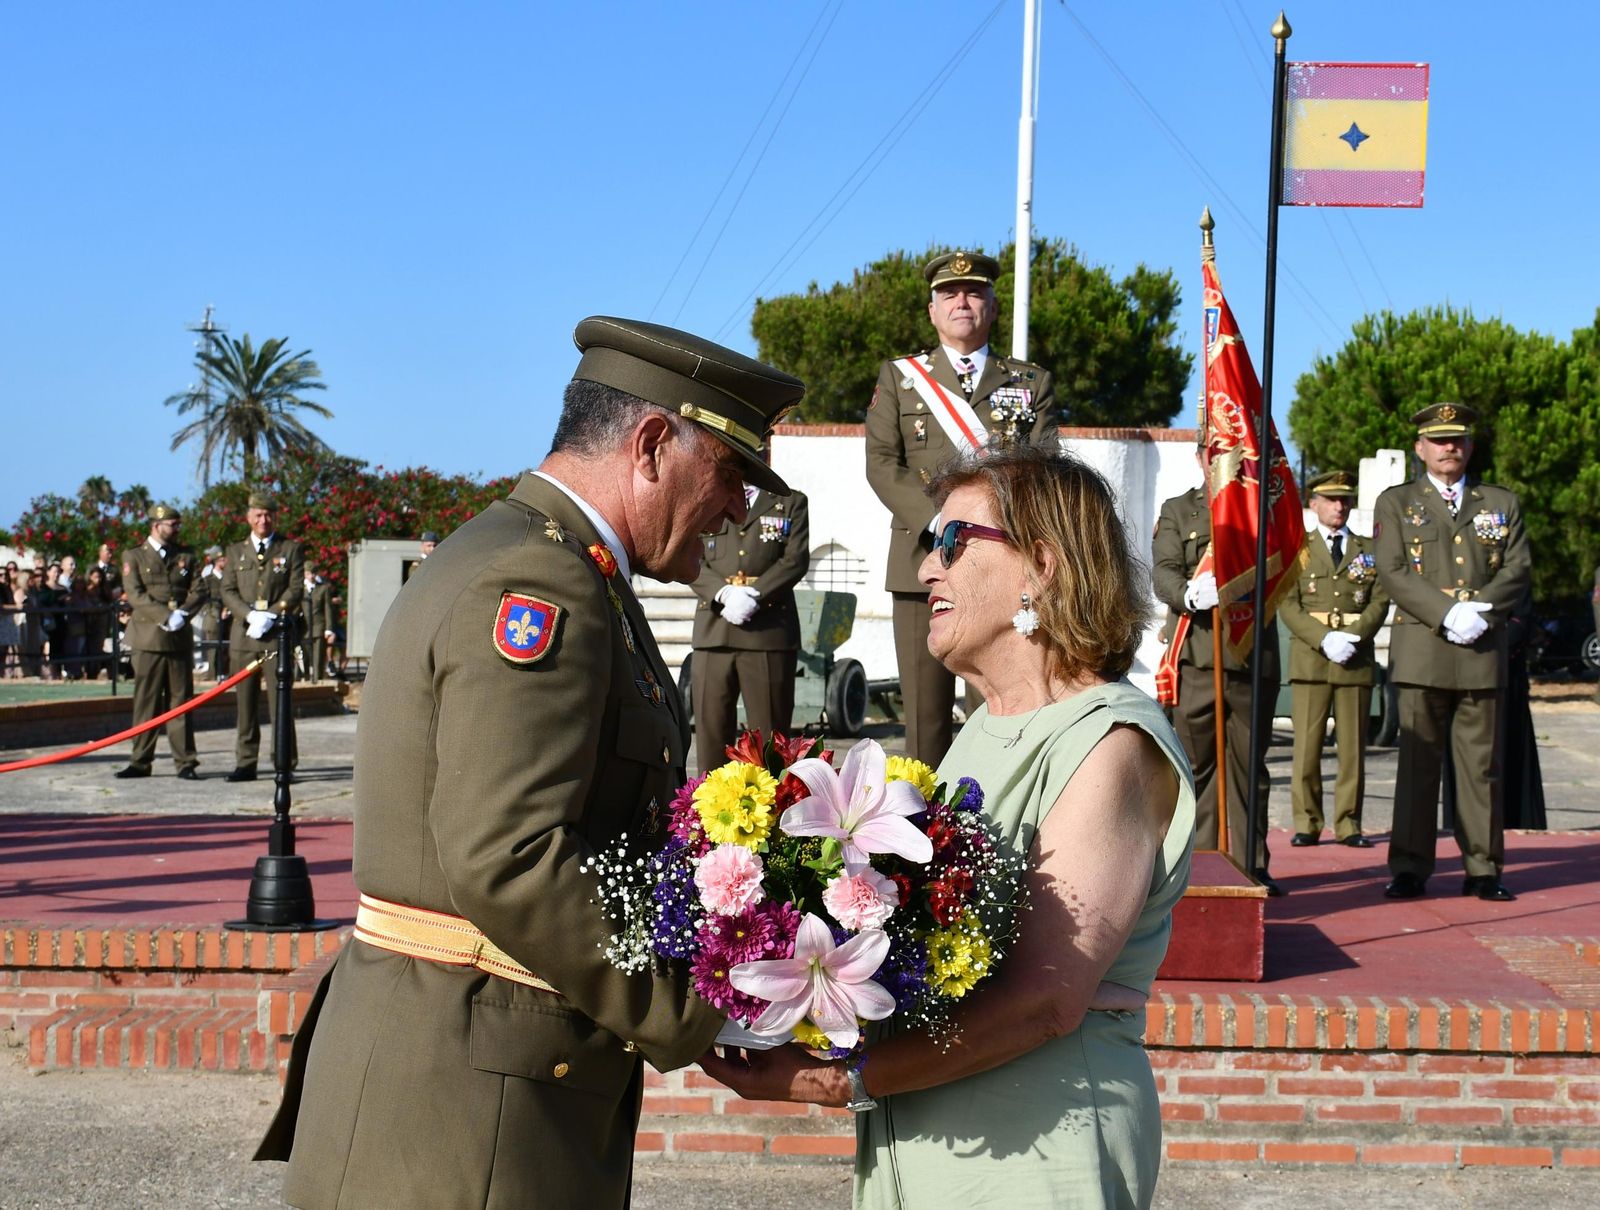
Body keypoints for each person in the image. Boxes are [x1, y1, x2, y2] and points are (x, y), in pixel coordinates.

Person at [255, 316, 806, 1208]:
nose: (741, 508)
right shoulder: (539, 583)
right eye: (730, 474)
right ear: (655, 445)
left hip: (471, 1076)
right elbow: (507, 854)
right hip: (470, 1115)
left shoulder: (547, 563)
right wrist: (690, 1005)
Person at [702, 443, 1194, 1209]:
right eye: (928, 544)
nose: (928, 568)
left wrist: (835, 1082)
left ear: (1042, 565)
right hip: (927, 1133)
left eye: (953, 542)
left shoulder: (1110, 743)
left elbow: (1045, 999)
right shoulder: (978, 732)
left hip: (1040, 1143)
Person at [865, 249, 1060, 767]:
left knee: (1002, 707)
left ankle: (996, 833)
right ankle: (924, 841)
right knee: (924, 722)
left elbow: (1044, 466)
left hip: (1001, 562)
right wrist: (941, 521)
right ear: (932, 311)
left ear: (992, 307)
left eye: (974, 292)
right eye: (948, 294)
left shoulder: (1030, 382)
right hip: (921, 565)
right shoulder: (901, 378)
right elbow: (882, 464)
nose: (961, 302)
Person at [1375, 403, 1531, 901]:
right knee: (1418, 765)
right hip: (1423, 649)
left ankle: (1484, 867)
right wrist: (1447, 613)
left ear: (1470, 446)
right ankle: (1409, 867)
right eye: (1439, 440)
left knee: (1481, 768)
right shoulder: (1397, 503)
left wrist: (1481, 611)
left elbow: (1518, 567)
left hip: (1482, 649)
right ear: (1420, 447)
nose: (1450, 448)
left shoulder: (1500, 502)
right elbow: (1393, 570)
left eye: (1458, 440)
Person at [1151, 451, 1282, 893]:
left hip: (1250, 655)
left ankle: (1250, 866)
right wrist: (1188, 593)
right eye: (1214, 453)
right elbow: (1163, 570)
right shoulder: (1178, 509)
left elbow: (1285, 566)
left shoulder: (1264, 510)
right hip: (1197, 656)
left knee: (1248, 767)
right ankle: (1200, 867)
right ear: (1198, 457)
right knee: (1194, 768)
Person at [1276, 470, 1389, 846]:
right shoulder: (1298, 548)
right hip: (1313, 657)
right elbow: (1287, 604)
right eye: (1331, 499)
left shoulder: (1367, 549)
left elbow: (1380, 599)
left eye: (1344, 499)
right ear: (1314, 504)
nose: (1339, 506)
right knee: (1306, 748)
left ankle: (1348, 824)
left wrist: (1352, 637)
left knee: (1352, 749)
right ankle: (1307, 822)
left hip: (1354, 657)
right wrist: (1324, 639)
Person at [689, 485, 810, 771]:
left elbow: (795, 559)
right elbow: (689, 552)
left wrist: (757, 595)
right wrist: (723, 593)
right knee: (710, 734)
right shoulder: (705, 495)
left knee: (770, 739)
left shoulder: (789, 502)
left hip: (768, 632)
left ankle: (771, 812)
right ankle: (708, 809)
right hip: (714, 630)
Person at [220, 493, 305, 781]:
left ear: (275, 517)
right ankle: (246, 762)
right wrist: (248, 615)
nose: (263, 520)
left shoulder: (290, 548)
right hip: (244, 637)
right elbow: (227, 590)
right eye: (257, 515)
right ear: (248, 517)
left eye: (268, 515)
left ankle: (285, 762)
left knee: (281, 704)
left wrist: (271, 613)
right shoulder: (235, 551)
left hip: (275, 637)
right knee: (245, 704)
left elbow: (295, 588)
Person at [114, 504, 201, 780]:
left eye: (178, 524)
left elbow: (200, 589)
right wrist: (164, 616)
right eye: (172, 524)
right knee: (146, 702)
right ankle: (140, 760)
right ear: (156, 525)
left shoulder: (186, 555)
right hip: (149, 637)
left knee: (181, 703)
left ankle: (185, 762)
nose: (177, 529)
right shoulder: (135, 556)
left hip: (178, 637)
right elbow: (135, 594)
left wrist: (183, 614)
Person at [299, 558, 335, 681]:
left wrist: (329, 629)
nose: (311, 576)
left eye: (314, 573)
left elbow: (327, 609)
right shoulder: (300, 588)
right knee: (304, 655)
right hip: (303, 627)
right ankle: (305, 678)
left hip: (319, 625)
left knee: (318, 655)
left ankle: (317, 679)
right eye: (309, 573)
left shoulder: (322, 588)